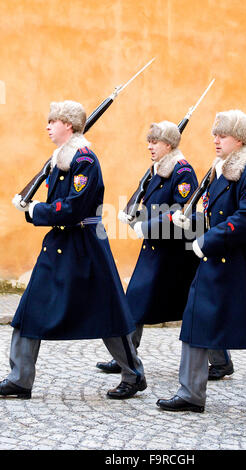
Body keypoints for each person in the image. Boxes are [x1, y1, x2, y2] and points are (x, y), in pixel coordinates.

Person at [156, 109, 246, 416]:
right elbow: (214, 213)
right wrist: (189, 220)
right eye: (215, 134)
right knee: (196, 318)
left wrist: (207, 241)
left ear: (239, 138)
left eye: (221, 135)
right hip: (219, 259)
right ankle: (191, 392)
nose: (215, 139)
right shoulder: (220, 170)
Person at [0, 100, 146, 400]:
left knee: (108, 313)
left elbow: (73, 207)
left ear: (68, 124)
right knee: (28, 310)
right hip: (58, 246)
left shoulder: (85, 161)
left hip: (85, 246)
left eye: (53, 121)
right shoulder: (60, 158)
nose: (48, 126)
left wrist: (36, 211)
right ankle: (19, 378)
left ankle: (134, 374)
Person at [96, 120, 233, 379]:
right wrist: (133, 214)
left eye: (154, 142)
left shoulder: (182, 171)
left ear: (168, 145)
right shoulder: (157, 170)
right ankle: (126, 357)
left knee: (194, 308)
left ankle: (221, 361)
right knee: (134, 300)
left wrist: (148, 226)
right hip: (156, 250)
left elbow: (184, 211)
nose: (149, 146)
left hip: (176, 254)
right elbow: (146, 198)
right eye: (149, 141)